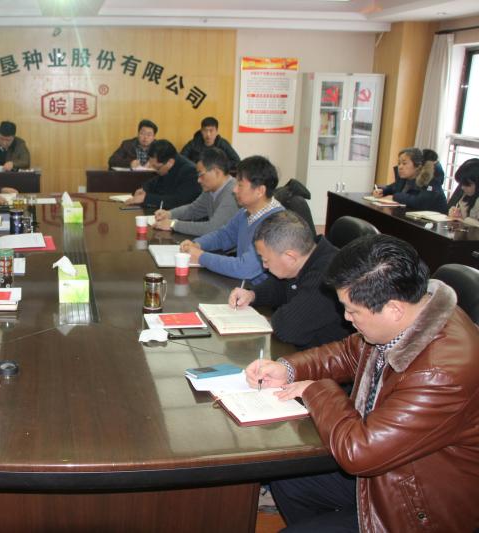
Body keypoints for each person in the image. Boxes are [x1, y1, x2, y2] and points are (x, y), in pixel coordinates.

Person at [247, 234, 479, 532]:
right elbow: (349, 352)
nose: (346, 317)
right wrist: (288, 369)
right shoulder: (415, 315)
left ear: (393, 309)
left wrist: (315, 390)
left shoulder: (439, 373)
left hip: (418, 505)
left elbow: (359, 452)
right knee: (289, 479)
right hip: (391, 469)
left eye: (353, 310)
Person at [227, 210, 351, 349]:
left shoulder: (327, 277)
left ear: (290, 257)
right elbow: (281, 285)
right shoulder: (308, 255)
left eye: (266, 260)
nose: (264, 266)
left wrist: (260, 320)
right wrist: (252, 294)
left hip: (325, 356)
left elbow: (288, 328)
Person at [180, 155, 284, 285]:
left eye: (240, 185)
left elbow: (244, 268)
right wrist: (198, 244)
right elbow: (224, 235)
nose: (234, 190)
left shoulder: (276, 223)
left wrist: (201, 257)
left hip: (258, 292)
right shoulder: (245, 212)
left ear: (260, 191)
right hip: (242, 285)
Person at [152, 147, 238, 236]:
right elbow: (193, 209)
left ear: (217, 172)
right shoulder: (210, 190)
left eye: (201, 174)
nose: (198, 180)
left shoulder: (233, 193)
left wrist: (173, 224)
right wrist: (169, 214)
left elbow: (212, 228)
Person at [124, 140, 201, 209]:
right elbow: (157, 181)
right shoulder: (168, 164)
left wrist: (146, 198)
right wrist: (144, 189)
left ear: (170, 162)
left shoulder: (191, 172)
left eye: (157, 168)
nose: (155, 170)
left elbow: (178, 201)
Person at [372, 147, 447, 212]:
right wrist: (383, 191)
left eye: (404, 163)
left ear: (417, 166)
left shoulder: (429, 180)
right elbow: (393, 187)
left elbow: (420, 202)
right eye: (399, 163)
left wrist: (395, 197)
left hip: (433, 222)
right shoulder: (404, 179)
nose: (400, 167)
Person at [447, 158, 479, 222]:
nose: (462, 187)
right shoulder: (466, 195)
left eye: (467, 184)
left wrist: (466, 220)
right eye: (461, 184)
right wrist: (457, 215)